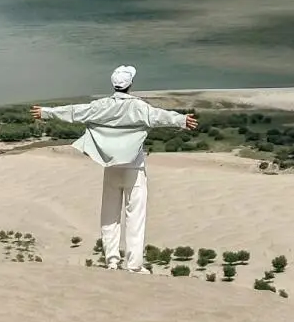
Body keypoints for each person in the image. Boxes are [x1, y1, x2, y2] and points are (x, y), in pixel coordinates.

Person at [31, 65, 197, 272]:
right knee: (135, 216)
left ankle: (112, 261)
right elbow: (159, 116)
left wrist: (46, 112)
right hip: (134, 169)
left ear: (114, 85)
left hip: (110, 167)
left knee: (109, 215)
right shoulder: (139, 107)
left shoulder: (101, 105)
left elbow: (75, 112)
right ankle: (134, 265)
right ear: (131, 85)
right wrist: (182, 120)